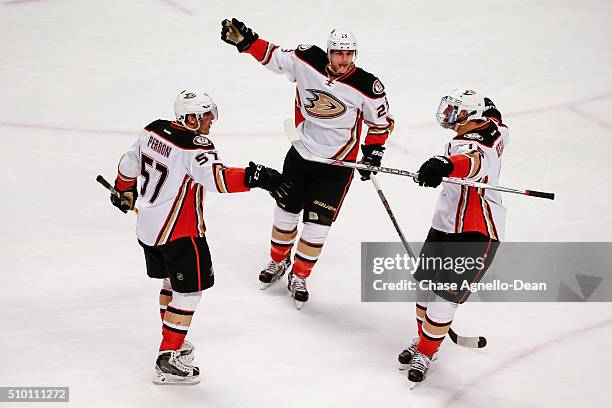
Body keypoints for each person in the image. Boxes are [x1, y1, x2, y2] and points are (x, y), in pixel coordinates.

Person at [109, 89, 290, 384]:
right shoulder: (195, 146)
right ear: (190, 118)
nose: (210, 120)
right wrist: (256, 177)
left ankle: (174, 341)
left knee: (171, 283)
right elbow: (215, 178)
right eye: (206, 115)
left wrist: (124, 188)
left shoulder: (152, 130)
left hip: (148, 228)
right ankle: (168, 356)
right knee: (189, 292)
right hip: (180, 233)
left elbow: (128, 164)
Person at [220, 18, 395, 309]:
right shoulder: (306, 59)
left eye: (349, 53)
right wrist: (247, 42)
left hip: (337, 167)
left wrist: (374, 152)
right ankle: (278, 261)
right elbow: (275, 58)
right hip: (301, 153)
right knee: (285, 215)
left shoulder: (368, 86)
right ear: (329, 53)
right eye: (339, 53)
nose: (344, 59)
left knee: (316, 228)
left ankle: (300, 276)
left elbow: (380, 124)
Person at [398, 89, 508, 385]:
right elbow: (499, 119)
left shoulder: (479, 146)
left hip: (476, 232)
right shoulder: (495, 129)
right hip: (445, 224)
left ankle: (427, 351)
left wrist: (443, 164)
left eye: (456, 110)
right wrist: (489, 106)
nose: (448, 114)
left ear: (471, 116)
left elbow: (470, 163)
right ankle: (425, 341)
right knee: (424, 287)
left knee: (445, 296)